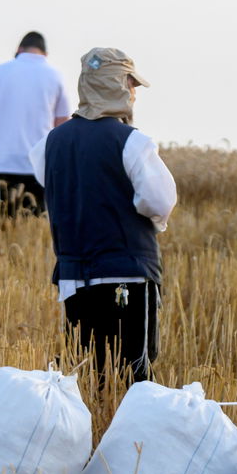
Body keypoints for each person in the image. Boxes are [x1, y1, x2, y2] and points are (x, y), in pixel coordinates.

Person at [30, 48, 176, 384]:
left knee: (86, 371)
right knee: (133, 374)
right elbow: (160, 201)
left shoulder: (50, 143)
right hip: (126, 276)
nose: (134, 94)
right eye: (131, 85)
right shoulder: (132, 142)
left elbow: (49, 182)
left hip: (73, 280)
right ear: (118, 86)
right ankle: (130, 437)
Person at [0, 31, 71, 216]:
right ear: (45, 54)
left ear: (19, 50)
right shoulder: (56, 76)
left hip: (1, 165)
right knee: (32, 234)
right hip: (38, 167)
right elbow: (63, 125)